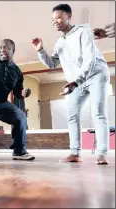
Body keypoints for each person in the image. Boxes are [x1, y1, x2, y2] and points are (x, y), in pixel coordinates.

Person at [32, 4, 110, 164]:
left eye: (59, 17)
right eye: (53, 19)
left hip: (96, 74)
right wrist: (40, 50)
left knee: (98, 113)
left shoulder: (83, 31)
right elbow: (52, 63)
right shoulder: (59, 42)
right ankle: (75, 153)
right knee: (72, 115)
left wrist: (77, 81)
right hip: (77, 81)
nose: (55, 21)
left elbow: (90, 59)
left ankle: (101, 153)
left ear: (69, 17)